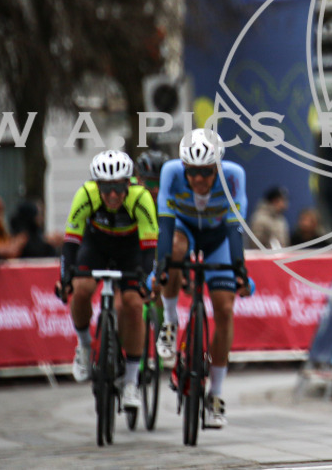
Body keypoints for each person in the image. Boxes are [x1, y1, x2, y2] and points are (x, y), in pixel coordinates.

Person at [154, 129, 251, 430]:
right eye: (192, 173)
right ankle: (170, 322)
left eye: (206, 173)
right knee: (176, 250)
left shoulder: (233, 175)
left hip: (218, 237)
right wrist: (162, 266)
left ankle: (216, 394)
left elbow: (236, 228)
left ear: (217, 168)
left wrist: (239, 270)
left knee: (224, 310)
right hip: (182, 228)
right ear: (184, 167)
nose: (198, 180)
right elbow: (166, 224)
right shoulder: (170, 171)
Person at [56, 150, 157, 413]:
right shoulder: (85, 194)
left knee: (134, 305)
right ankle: (86, 346)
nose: (113, 195)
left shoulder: (141, 197)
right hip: (96, 245)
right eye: (106, 188)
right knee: (81, 289)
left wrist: (147, 279)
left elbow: (149, 249)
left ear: (128, 184)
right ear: (97, 185)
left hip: (130, 249)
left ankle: (132, 382)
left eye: (118, 187)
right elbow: (70, 242)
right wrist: (65, 276)